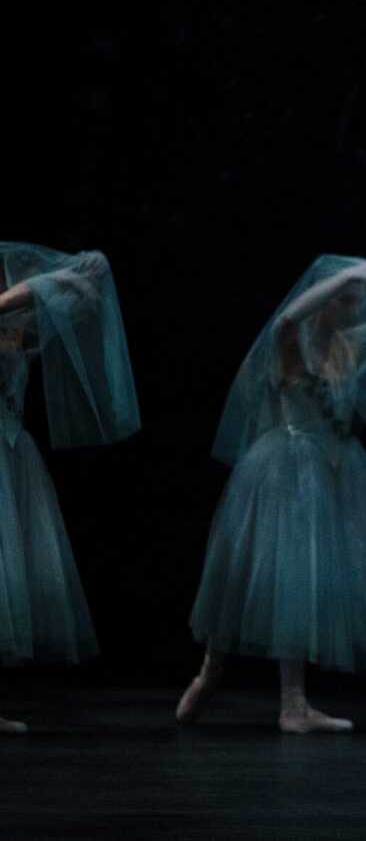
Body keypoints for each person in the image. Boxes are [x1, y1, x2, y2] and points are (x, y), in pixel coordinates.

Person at [177, 255, 366, 734]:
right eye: (344, 300)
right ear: (326, 300)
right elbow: (286, 319)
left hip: (335, 469)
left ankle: (293, 704)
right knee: (255, 573)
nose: (352, 308)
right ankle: (211, 671)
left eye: (355, 302)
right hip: (288, 469)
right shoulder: (292, 346)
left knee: (301, 582)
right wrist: (345, 276)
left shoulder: (349, 345)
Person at [0, 242, 140, 734]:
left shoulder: (19, 330)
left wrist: (84, 279)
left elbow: (80, 305)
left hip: (13, 455)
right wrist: (53, 282)